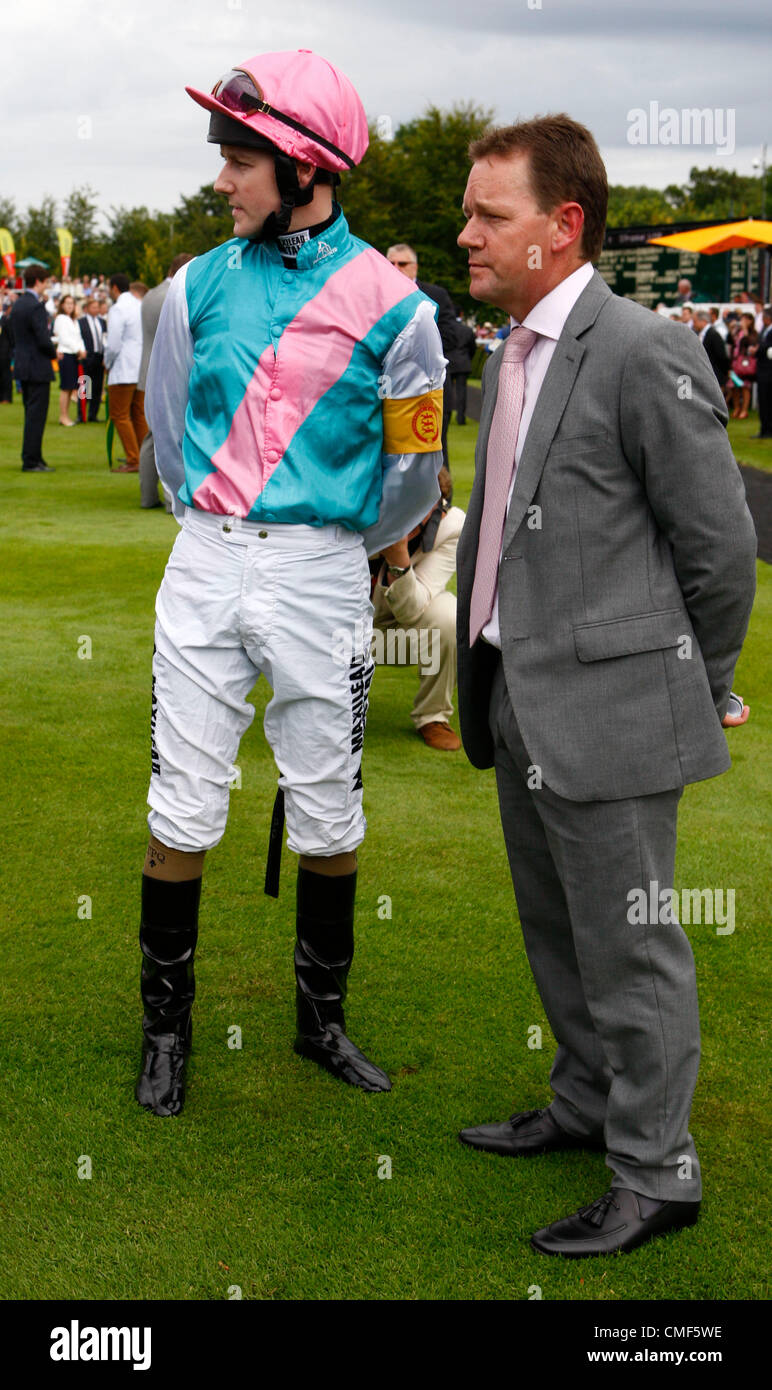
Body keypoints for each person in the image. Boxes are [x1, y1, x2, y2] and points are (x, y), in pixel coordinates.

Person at [454, 114, 756, 1258]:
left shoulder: (641, 348)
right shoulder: (511, 347)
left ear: (561, 224)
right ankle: (586, 1104)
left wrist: (685, 684)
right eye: (468, 212)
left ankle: (656, 1171)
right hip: (516, 696)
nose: (466, 235)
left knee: (631, 946)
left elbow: (719, 551)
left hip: (615, 711)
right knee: (558, 930)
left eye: (491, 215)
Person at [137, 48, 445, 1117]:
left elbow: (416, 479)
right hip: (208, 555)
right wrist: (224, 522)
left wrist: (325, 546)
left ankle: (321, 1022)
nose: (220, 179)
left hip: (323, 570)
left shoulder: (399, 313)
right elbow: (168, 440)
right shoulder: (189, 285)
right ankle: (165, 1032)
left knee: (329, 804)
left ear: (305, 166)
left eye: (238, 159)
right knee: (181, 797)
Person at [371, 467, 463, 750]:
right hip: (339, 635)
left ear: (436, 505)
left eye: (417, 505)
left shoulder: (452, 526)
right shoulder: (358, 511)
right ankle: (321, 708)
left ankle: (433, 717)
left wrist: (398, 558)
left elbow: (413, 610)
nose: (406, 514)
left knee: (449, 614)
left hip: (395, 638)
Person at [386, 242, 457, 469]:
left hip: (428, 389)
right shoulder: (375, 297)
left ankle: (441, 503)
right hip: (386, 389)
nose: (396, 268)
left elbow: (449, 338)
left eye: (403, 263)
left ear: (415, 267)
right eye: (391, 263)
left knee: (434, 452)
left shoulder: (435, 295)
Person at [137, 254, 194, 508]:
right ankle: (173, 499)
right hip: (168, 369)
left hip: (147, 368)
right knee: (171, 433)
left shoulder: (150, 294)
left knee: (152, 433)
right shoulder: (175, 294)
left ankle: (148, 495)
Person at [8, 266, 56, 472]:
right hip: (37, 366)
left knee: (31, 415)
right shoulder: (36, 306)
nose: (46, 285)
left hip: (23, 364)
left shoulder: (18, 304)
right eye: (45, 281)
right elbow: (43, 339)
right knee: (37, 417)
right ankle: (31, 459)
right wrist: (54, 352)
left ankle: (34, 456)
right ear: (38, 281)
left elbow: (12, 335)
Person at [104, 272, 147, 472]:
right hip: (141, 366)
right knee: (139, 414)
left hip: (124, 367)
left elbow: (113, 343)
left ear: (114, 287)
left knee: (120, 414)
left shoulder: (118, 308)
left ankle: (133, 459)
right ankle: (144, 456)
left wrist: (107, 362)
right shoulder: (139, 305)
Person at [52, 293, 87, 425]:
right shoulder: (61, 318)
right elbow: (64, 338)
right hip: (66, 354)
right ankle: (63, 415)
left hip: (75, 355)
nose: (70, 306)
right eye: (67, 303)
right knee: (66, 387)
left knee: (72, 386)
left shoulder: (74, 320)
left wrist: (82, 350)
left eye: (72, 303)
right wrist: (78, 349)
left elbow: (79, 337)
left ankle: (66, 415)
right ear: (62, 305)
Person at [79, 299, 107, 421]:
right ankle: (82, 414)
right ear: (87, 308)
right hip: (88, 357)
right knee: (85, 386)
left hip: (99, 356)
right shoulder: (81, 322)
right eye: (93, 307)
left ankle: (93, 414)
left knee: (97, 386)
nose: (95, 309)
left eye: (97, 307)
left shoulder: (102, 322)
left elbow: (106, 339)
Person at [447, 312, 477, 424]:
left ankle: (446, 416)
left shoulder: (446, 329)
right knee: (461, 391)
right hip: (463, 362)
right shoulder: (467, 330)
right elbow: (472, 347)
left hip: (448, 362)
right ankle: (461, 417)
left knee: (447, 391)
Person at [729, 312, 757, 419]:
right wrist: (732, 329)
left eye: (744, 320)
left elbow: (749, 343)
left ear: (750, 321)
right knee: (734, 385)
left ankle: (744, 410)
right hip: (735, 362)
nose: (742, 322)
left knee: (745, 386)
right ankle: (737, 407)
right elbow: (731, 341)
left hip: (745, 364)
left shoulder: (752, 333)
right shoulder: (738, 332)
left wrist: (745, 330)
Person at [692, 307, 729, 390]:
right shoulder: (703, 333)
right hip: (707, 375)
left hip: (715, 375)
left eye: (695, 321)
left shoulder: (713, 334)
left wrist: (724, 373)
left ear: (703, 321)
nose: (693, 324)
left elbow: (721, 355)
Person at [751, 304, 772, 438]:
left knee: (767, 401)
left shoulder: (769, 332)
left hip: (768, 372)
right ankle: (765, 429)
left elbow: (766, 347)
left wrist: (757, 350)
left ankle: (767, 430)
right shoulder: (765, 330)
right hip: (763, 371)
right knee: (763, 402)